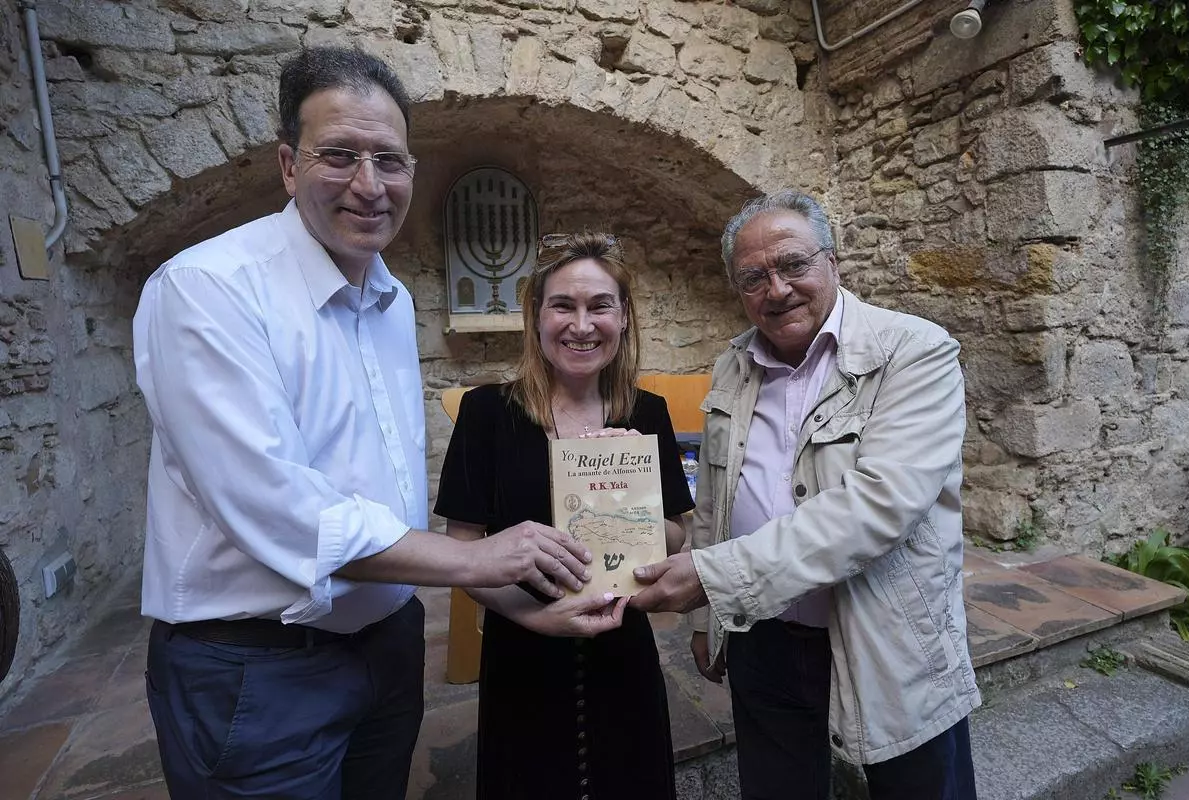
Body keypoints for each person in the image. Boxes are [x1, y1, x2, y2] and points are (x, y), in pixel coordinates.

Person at [132, 47, 621, 800]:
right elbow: (272, 503)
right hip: (257, 667)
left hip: (387, 649)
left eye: (389, 161)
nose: (369, 184)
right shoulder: (207, 290)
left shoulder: (389, 300)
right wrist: (473, 560)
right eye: (339, 155)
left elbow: (377, 483)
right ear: (288, 166)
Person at [630, 191, 980, 799]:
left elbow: (878, 507)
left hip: (884, 636)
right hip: (760, 638)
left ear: (832, 261)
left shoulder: (913, 351)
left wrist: (714, 578)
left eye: (794, 264)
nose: (777, 289)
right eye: (753, 277)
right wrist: (710, 619)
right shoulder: (733, 364)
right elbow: (715, 500)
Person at [435, 232, 695, 800]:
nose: (582, 325)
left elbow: (677, 534)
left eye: (600, 305)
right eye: (562, 306)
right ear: (536, 316)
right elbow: (462, 548)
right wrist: (535, 617)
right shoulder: (486, 413)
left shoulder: (647, 413)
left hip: (622, 647)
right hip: (522, 649)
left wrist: (630, 497)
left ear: (623, 318)